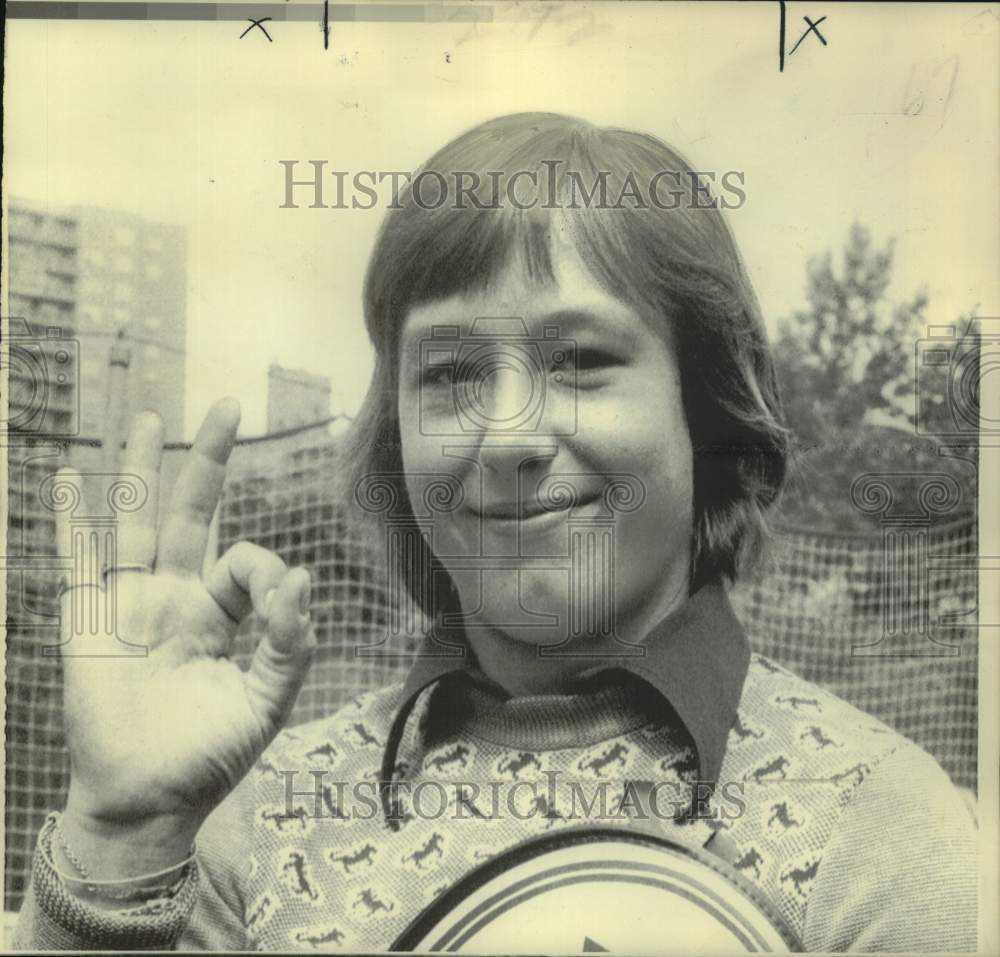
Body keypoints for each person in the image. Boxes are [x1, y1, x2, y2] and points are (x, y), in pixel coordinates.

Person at [14, 113, 976, 952]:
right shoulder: (252, 821)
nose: (509, 434)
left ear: (706, 412)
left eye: (584, 359)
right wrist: (122, 832)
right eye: (450, 374)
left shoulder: (880, 824)